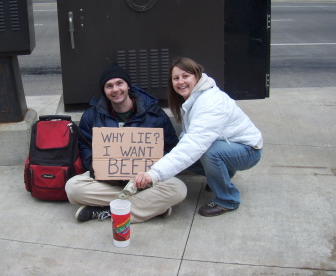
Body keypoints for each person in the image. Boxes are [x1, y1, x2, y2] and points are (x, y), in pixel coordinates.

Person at [134, 57, 263, 217]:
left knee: (209, 153)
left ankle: (227, 199)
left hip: (247, 150)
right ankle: (224, 175)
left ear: (197, 76)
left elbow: (194, 144)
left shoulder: (210, 103)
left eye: (185, 76)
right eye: (176, 78)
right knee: (184, 158)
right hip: (225, 144)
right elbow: (188, 140)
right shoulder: (193, 99)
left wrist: (155, 174)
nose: (180, 81)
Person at [65, 63, 187, 223]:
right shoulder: (91, 116)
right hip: (107, 181)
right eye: (109, 86)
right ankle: (150, 207)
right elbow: (85, 146)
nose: (115, 90)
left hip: (144, 181)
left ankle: (106, 211)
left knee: (178, 189)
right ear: (104, 91)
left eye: (119, 83)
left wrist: (150, 171)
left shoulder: (154, 114)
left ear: (128, 86)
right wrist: (96, 166)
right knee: (73, 188)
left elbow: (170, 147)